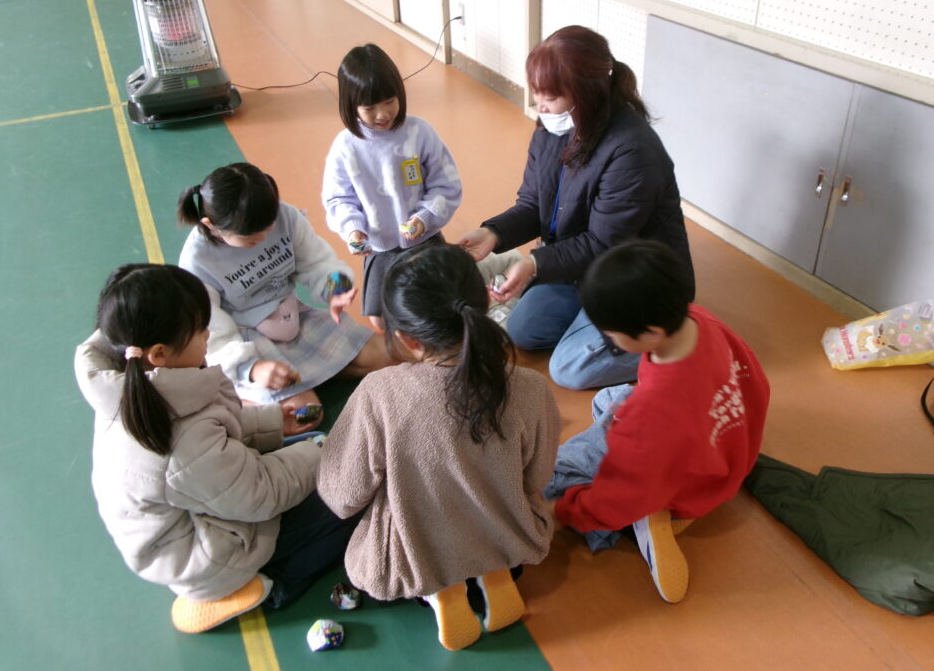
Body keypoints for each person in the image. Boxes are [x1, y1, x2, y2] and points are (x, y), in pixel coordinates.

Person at [74, 264, 359, 633]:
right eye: (199, 330)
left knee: (318, 458)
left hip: (198, 507)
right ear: (159, 353)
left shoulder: (136, 381)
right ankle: (267, 583)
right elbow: (259, 492)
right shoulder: (179, 442)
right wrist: (324, 453)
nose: (208, 335)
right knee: (352, 495)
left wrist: (273, 422)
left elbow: (214, 432)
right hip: (209, 559)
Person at [317, 244, 561, 651]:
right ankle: (494, 572)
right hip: (510, 541)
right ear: (484, 303)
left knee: (391, 530)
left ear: (407, 339)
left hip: (414, 562)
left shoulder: (380, 393)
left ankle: (441, 592)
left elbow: (343, 495)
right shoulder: (531, 387)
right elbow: (537, 477)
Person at [458, 25, 694, 390]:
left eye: (550, 98)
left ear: (585, 93)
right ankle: (591, 326)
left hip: (631, 279)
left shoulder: (632, 149)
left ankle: (680, 336)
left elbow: (603, 243)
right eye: (538, 95)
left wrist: (535, 263)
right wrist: (493, 233)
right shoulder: (552, 128)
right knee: (523, 330)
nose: (540, 107)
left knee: (568, 369)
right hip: (579, 267)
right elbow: (534, 203)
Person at [549, 240, 770, 604]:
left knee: (557, 471)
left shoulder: (651, 415)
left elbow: (621, 491)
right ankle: (653, 502)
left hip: (682, 482)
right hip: (729, 454)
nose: (608, 340)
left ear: (651, 332)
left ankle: (654, 513)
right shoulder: (702, 319)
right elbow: (755, 383)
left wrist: (566, 512)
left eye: (611, 334)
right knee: (608, 399)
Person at [178, 162, 390, 432]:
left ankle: (309, 374)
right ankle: (237, 398)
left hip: (293, 317)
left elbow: (317, 261)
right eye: (250, 236)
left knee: (387, 355)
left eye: (268, 228)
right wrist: (251, 369)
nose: (264, 237)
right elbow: (213, 333)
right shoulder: (196, 261)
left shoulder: (284, 215)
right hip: (247, 341)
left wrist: (335, 289)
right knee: (306, 415)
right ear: (212, 226)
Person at [322, 43, 462, 332]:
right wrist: (353, 229)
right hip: (380, 248)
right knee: (379, 319)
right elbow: (337, 199)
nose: (382, 114)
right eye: (369, 108)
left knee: (442, 306)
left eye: (389, 101)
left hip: (425, 240)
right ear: (350, 106)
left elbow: (446, 184)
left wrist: (424, 217)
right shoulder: (345, 147)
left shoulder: (420, 132)